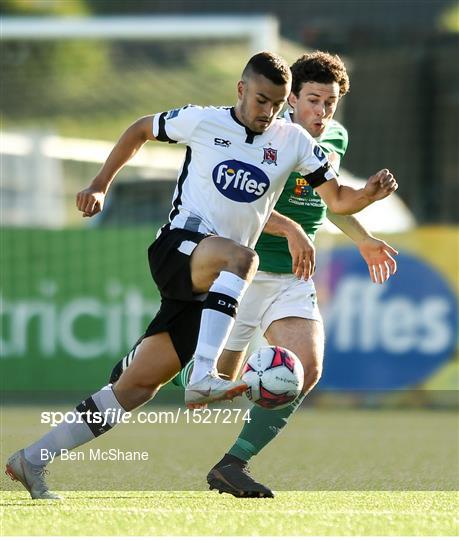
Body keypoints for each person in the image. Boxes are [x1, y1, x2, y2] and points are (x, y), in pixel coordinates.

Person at [5, 51, 397, 500]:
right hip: (180, 246)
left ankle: (32, 460)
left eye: (275, 103)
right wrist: (99, 182)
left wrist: (368, 193)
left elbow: (339, 199)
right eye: (260, 100)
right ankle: (203, 375)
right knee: (242, 260)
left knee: (134, 389)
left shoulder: (296, 142)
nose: (266, 111)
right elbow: (140, 129)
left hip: (214, 282)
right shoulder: (204, 121)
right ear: (241, 90)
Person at [169, 51, 400, 498]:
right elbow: (236, 200)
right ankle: (158, 360)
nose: (321, 111)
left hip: (292, 280)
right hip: (240, 272)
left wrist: (364, 232)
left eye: (330, 103)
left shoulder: (334, 139)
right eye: (313, 100)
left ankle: (232, 465)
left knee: (305, 370)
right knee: (202, 389)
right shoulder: (263, 133)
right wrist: (290, 229)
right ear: (291, 98)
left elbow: (329, 202)